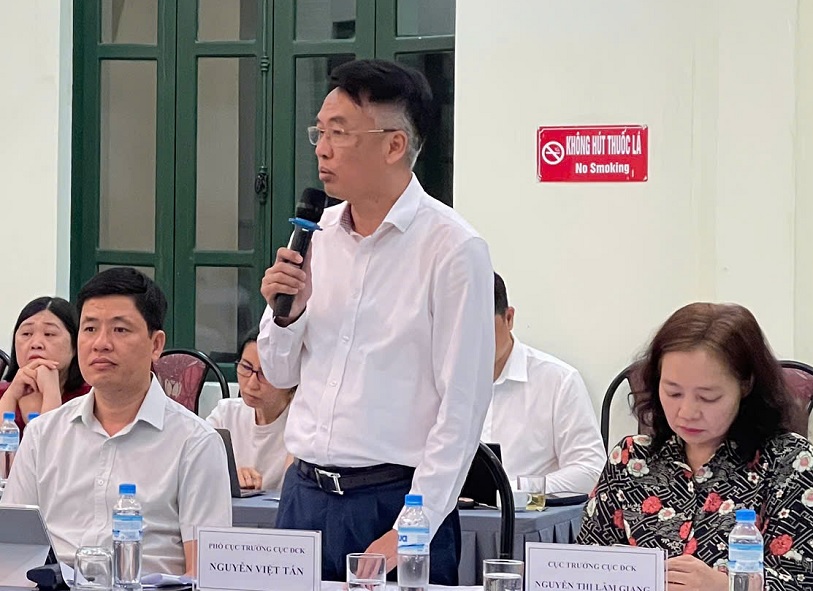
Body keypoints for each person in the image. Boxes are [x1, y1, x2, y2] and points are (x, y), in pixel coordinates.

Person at [258, 59, 494, 584]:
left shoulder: (453, 249)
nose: (321, 148)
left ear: (394, 145)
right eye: (319, 131)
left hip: (394, 503)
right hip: (304, 496)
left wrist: (412, 528)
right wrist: (287, 315)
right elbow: (277, 373)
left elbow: (462, 408)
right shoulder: (315, 234)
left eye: (339, 133)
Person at [1, 267, 232, 575]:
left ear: (156, 344)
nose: (101, 343)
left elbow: (206, 573)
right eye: (90, 328)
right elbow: (13, 551)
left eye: (120, 330)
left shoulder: (195, 443)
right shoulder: (42, 434)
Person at [577, 302, 813, 591]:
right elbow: (586, 566)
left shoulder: (790, 463)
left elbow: (802, 581)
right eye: (673, 392)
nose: (687, 412)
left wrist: (727, 586)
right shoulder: (630, 459)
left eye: (708, 397)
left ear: (746, 385)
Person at [486, 273, 605, 493]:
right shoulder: (437, 380)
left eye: (481, 329)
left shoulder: (558, 380)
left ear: (509, 318)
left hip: (530, 511)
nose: (470, 342)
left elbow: (590, 470)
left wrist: (511, 490)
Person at [206, 327, 294, 491]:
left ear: (290, 379)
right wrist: (229, 475)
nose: (252, 384)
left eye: (265, 374)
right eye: (246, 367)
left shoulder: (302, 425)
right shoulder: (226, 414)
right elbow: (197, 464)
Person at [0, 297, 90, 432]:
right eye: (26, 333)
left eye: (49, 334)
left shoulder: (91, 399)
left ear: (75, 345)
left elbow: (53, 443)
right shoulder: (3, 392)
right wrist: (10, 396)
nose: (36, 344)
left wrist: (50, 393)